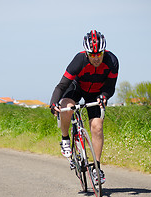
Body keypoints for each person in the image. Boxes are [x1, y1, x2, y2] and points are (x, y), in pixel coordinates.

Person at [50, 30, 119, 184]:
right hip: (77, 87)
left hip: (96, 93)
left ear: (104, 51)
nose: (96, 58)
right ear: (86, 53)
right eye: (92, 54)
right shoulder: (79, 60)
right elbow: (61, 86)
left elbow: (110, 87)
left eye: (99, 54)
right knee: (66, 106)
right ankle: (66, 139)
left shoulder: (112, 61)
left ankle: (96, 168)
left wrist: (105, 96)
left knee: (97, 127)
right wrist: (53, 103)